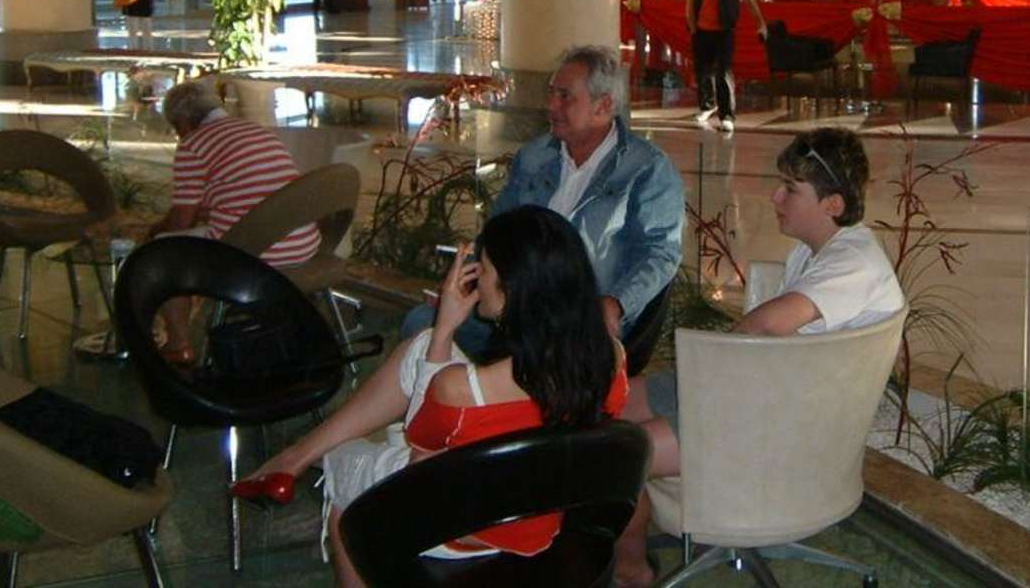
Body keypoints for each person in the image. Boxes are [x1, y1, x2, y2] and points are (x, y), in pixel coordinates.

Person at [235, 206, 629, 585]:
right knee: (421, 346)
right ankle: (294, 458)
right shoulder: (610, 357)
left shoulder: (462, 388)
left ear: (510, 288)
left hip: (464, 529)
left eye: (483, 268)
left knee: (344, 461)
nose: (477, 280)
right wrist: (435, 339)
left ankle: (300, 463)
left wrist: (445, 327)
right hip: (543, 510)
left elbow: (419, 469)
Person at [611, 127, 904, 588]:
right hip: (764, 395)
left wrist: (706, 378)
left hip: (776, 428)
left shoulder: (854, 263)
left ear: (832, 204)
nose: (774, 197)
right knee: (610, 402)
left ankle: (631, 570)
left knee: (613, 454)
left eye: (790, 188)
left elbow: (764, 326)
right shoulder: (820, 251)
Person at [400, 44, 684, 356]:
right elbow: (497, 234)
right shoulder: (535, 156)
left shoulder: (646, 169)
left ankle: (482, 383)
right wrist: (464, 284)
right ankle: (467, 386)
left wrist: (616, 304)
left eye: (565, 96)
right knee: (422, 324)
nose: (551, 105)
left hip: (579, 319)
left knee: (529, 353)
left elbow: (660, 254)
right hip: (512, 308)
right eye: (551, 94)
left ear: (603, 106)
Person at [146, 80, 320, 364]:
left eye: (176, 128)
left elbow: (181, 220)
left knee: (162, 253)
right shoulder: (258, 131)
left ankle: (179, 345)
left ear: (184, 121)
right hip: (304, 245)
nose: (178, 135)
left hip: (256, 254)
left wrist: (154, 231)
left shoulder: (193, 145)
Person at [685, 0, 767, 134]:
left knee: (723, 72)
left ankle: (727, 116)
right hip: (702, 30)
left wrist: (761, 23)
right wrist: (692, 26)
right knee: (703, 72)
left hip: (724, 30)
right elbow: (690, 2)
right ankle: (707, 105)